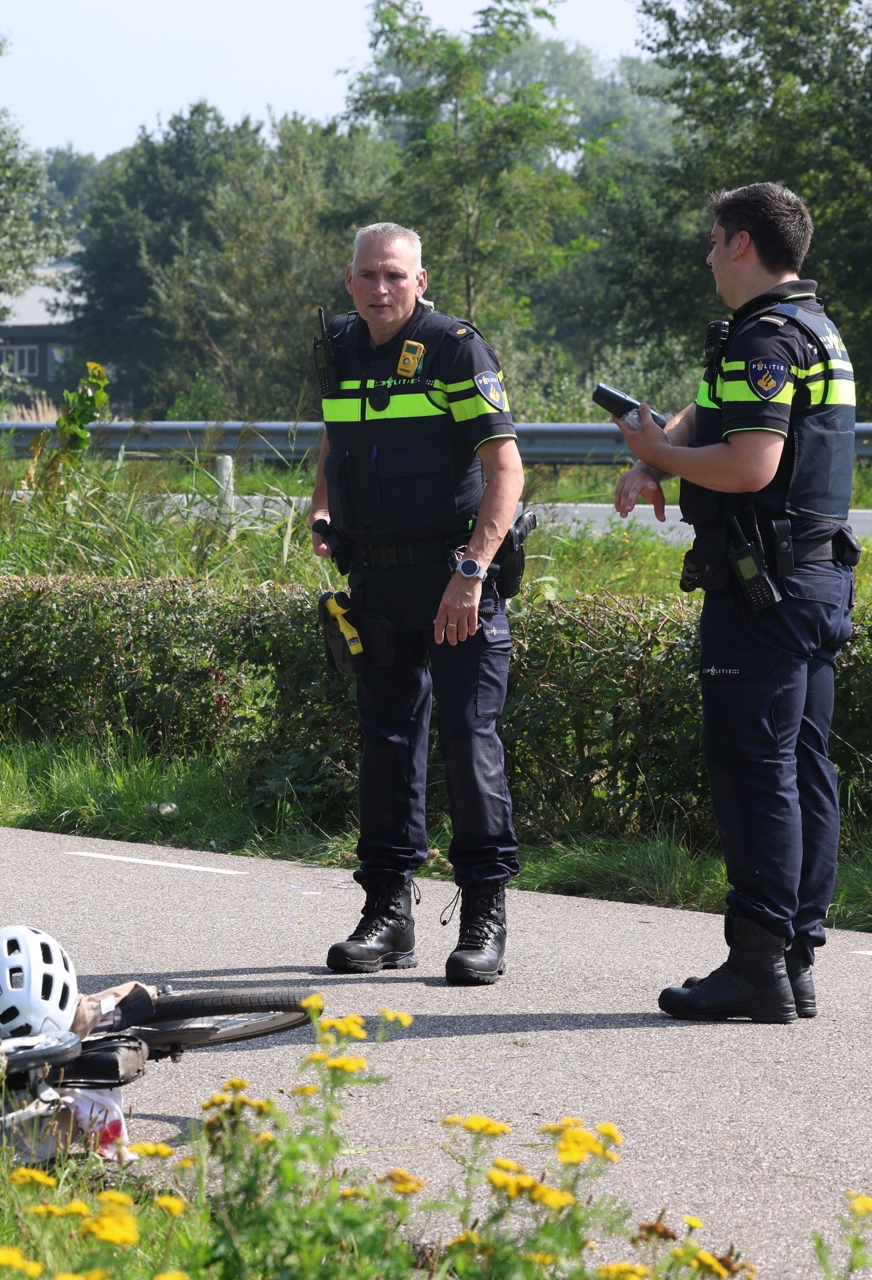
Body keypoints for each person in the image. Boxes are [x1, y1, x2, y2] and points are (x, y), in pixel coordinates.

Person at [610, 182, 858, 1022]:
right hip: (813, 579)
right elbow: (719, 411)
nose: (709, 256)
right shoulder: (808, 328)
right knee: (801, 768)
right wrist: (662, 449)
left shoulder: (766, 337)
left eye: (715, 242)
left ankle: (756, 964)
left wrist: (659, 456)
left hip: (764, 588)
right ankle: (792, 958)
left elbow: (751, 464)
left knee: (755, 773)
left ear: (744, 244)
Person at [310, 222, 526, 985]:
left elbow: (506, 467)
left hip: (452, 580)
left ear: (420, 280)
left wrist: (471, 572)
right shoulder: (341, 349)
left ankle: (482, 920)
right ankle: (388, 914)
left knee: (470, 745)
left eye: (394, 276)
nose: (380, 289)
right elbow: (337, 445)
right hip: (377, 585)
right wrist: (323, 510)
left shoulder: (453, 348)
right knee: (388, 749)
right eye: (368, 275)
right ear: (349, 278)